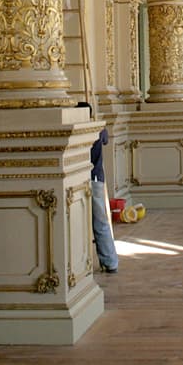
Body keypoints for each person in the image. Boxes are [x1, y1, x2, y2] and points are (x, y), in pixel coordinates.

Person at [78, 103, 119, 273]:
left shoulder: (86, 131)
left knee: (100, 222)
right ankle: (108, 261)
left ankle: (110, 261)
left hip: (93, 178)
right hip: (95, 177)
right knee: (98, 222)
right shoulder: (97, 129)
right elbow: (106, 139)